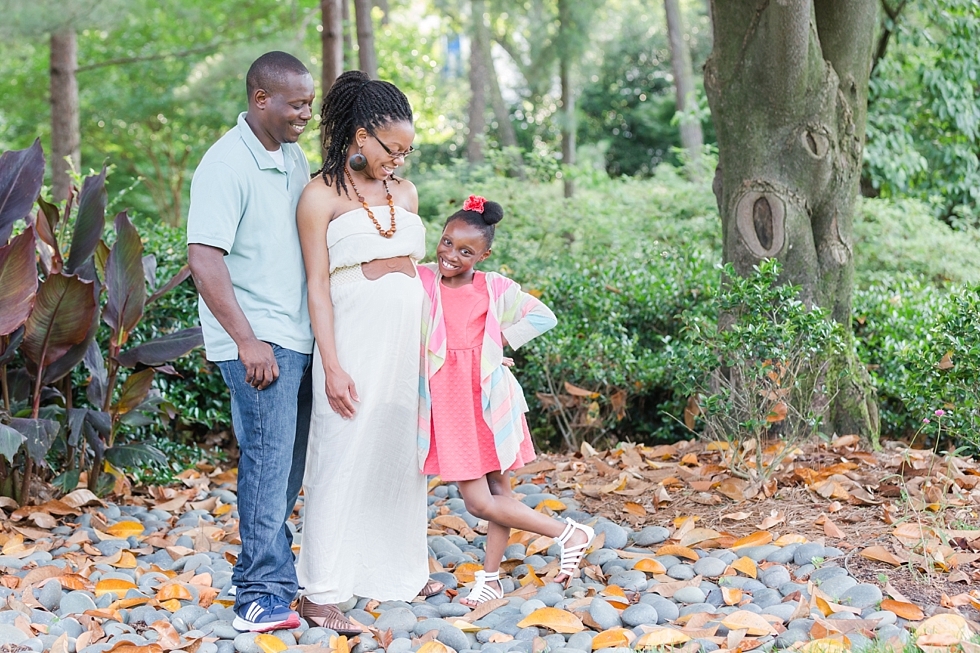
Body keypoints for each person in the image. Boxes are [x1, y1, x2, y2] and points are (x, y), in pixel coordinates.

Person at [294, 70, 440, 635]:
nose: (398, 162)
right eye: (391, 150)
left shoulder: (404, 193)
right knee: (341, 449)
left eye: (406, 152)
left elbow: (418, 270)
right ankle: (322, 588)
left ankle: (396, 571)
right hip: (351, 340)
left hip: (407, 345)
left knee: (398, 451)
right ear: (359, 138)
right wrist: (331, 364)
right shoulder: (319, 195)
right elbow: (317, 286)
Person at [186, 51, 315, 632]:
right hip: (259, 341)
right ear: (261, 98)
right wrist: (247, 341)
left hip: (297, 335)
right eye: (296, 104)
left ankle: (266, 577)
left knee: (286, 466)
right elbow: (203, 258)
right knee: (267, 461)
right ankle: (259, 598)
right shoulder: (225, 163)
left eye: (309, 103)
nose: (305, 113)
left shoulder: (291, 156)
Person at [417, 196, 595, 606]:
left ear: (484, 254)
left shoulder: (492, 286)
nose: (451, 255)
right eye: (446, 243)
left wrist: (498, 343)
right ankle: (494, 577)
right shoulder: (424, 279)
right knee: (493, 498)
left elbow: (542, 316)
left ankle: (566, 535)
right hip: (447, 399)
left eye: (466, 251)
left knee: (487, 497)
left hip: (486, 396)